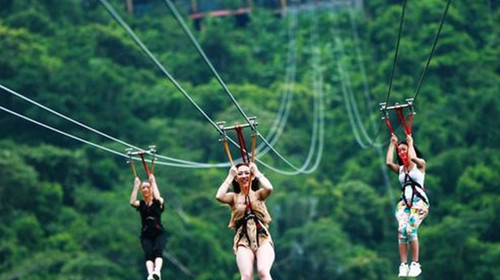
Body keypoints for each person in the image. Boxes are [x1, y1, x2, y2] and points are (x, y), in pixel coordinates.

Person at [215, 162, 275, 280]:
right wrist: (230, 176)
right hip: (243, 240)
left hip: (262, 238)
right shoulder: (234, 197)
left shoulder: (258, 195)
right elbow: (219, 196)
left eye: (247, 173)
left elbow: (269, 188)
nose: (244, 176)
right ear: (237, 178)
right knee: (246, 276)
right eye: (240, 174)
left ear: (251, 176)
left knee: (263, 272)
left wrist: (256, 172)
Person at [386, 134, 429, 278]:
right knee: (401, 230)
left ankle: (415, 263)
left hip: (419, 203)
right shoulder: (401, 170)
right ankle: (403, 264)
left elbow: (413, 159)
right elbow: (388, 163)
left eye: (404, 150)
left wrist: (410, 143)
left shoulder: (420, 165)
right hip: (404, 203)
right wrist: (393, 145)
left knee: (411, 230)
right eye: (400, 151)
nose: (402, 153)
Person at [130, 174, 166, 280]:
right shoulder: (141, 204)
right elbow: (132, 202)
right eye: (143, 187)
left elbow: (158, 197)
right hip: (146, 234)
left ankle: (157, 272)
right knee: (148, 253)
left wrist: (153, 183)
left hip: (158, 233)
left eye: (147, 187)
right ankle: (151, 275)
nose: (145, 189)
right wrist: (136, 186)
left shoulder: (158, 202)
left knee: (158, 251)